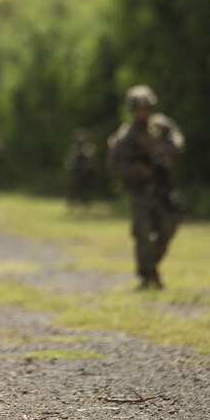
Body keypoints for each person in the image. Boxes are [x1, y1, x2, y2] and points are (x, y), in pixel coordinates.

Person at [107, 85, 185, 290]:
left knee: (169, 226)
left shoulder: (161, 126)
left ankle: (150, 267)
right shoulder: (125, 138)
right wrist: (139, 170)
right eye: (138, 109)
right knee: (142, 234)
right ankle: (147, 276)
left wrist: (174, 145)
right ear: (132, 111)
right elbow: (114, 168)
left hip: (163, 188)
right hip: (141, 192)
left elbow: (177, 137)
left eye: (146, 108)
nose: (142, 112)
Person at [64, 128, 97, 209]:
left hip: (87, 174)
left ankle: (86, 203)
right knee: (74, 188)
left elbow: (92, 160)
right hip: (77, 173)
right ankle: (72, 203)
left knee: (86, 190)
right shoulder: (74, 149)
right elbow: (70, 161)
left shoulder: (89, 147)